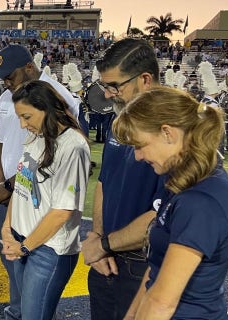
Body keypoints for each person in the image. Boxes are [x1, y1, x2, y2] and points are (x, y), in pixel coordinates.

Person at [112, 87, 228, 319]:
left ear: (167, 133)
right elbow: (155, 273)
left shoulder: (201, 201)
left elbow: (162, 303)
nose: (137, 156)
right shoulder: (181, 182)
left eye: (140, 145)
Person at [0, 43, 79, 320]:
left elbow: (56, 155)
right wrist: (3, 184)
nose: (6, 82)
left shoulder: (59, 96)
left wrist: (13, 185)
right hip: (12, 194)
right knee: (11, 260)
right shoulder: (7, 97)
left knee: (38, 272)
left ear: (29, 67)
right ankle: (17, 312)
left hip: (40, 200)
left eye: (10, 76)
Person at [79, 38, 165, 320]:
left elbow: (164, 215)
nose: (107, 95)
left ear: (145, 80)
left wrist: (103, 245)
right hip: (106, 258)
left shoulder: (173, 131)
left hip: (144, 263)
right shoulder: (120, 122)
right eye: (106, 86)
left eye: (115, 86)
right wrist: (98, 238)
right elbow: (105, 182)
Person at [0, 80, 90, 319]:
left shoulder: (73, 146)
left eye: (27, 117)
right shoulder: (37, 136)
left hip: (48, 250)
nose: (23, 124)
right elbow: (22, 183)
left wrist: (25, 246)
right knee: (21, 312)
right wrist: (7, 229)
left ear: (46, 108)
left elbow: (62, 211)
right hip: (23, 240)